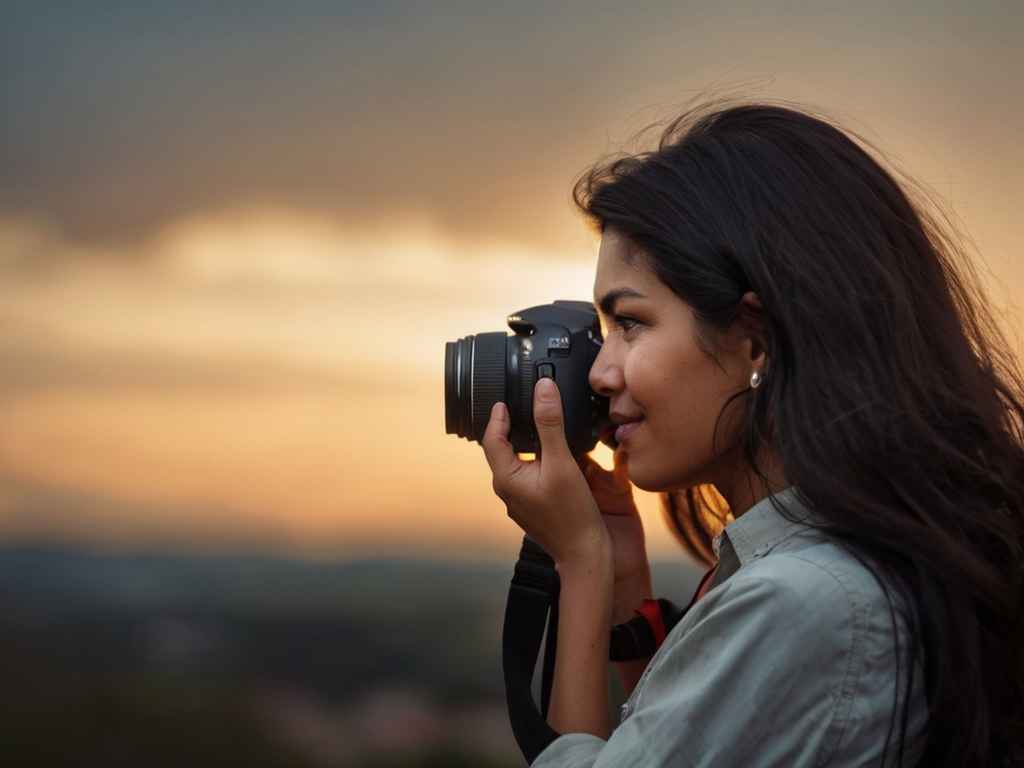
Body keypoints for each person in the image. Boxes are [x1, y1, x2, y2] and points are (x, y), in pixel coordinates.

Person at [480, 98, 1024, 767]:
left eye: (630, 323)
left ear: (755, 341)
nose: (599, 371)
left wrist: (580, 564)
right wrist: (620, 583)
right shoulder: (838, 574)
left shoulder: (807, 604)